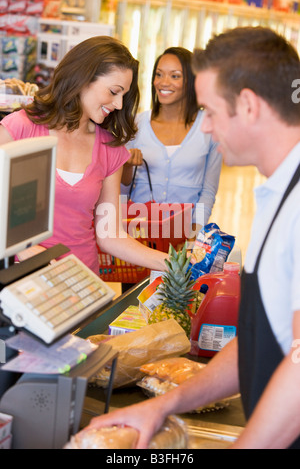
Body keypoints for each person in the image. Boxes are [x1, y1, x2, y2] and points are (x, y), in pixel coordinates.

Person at [87, 26, 300, 449]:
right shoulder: (277, 194)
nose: (204, 129)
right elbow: (260, 340)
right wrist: (165, 405)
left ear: (249, 106)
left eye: (210, 111)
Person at [0, 36, 168, 275]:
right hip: (22, 280)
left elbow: (110, 235)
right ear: (83, 79)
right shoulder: (21, 128)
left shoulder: (110, 149)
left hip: (82, 280)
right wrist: (23, 249)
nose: (119, 104)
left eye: (123, 95)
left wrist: (172, 264)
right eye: (113, 91)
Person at [121, 46, 222, 236]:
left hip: (182, 236)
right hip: (138, 234)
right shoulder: (137, 124)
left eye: (175, 76)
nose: (163, 82)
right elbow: (121, 189)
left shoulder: (209, 128)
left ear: (191, 81)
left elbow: (208, 192)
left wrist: (193, 234)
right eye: (159, 74)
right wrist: (126, 167)